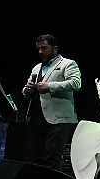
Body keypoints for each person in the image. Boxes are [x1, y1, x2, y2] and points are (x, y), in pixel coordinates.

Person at [22, 34, 81, 171]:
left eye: (44, 48)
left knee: (52, 159)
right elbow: (25, 90)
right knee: (37, 158)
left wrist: (50, 86)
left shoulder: (68, 63)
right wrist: (27, 90)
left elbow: (76, 83)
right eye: (38, 49)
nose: (40, 52)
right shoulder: (36, 68)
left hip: (59, 119)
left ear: (55, 48)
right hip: (37, 118)